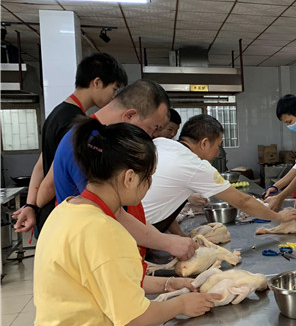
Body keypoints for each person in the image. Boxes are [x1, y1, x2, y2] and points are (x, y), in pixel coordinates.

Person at [22, 120, 219, 326]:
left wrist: (166, 285)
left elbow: (102, 280)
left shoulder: (69, 210)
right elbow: (132, 315)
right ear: (129, 178)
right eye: (148, 178)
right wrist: (181, 304)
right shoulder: (102, 229)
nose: (149, 185)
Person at [38, 79, 196, 261]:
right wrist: (167, 242)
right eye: (153, 129)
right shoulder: (90, 145)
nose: (152, 138)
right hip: (96, 258)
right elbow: (111, 212)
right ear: (129, 116)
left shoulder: (97, 137)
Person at [12, 53, 127, 235]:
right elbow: (50, 180)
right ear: (96, 82)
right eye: (114, 89)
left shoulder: (56, 114)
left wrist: (31, 204)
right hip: (60, 214)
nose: (113, 97)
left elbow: (40, 166)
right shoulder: (76, 124)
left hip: (49, 214)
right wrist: (34, 208)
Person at [142, 114, 296, 235]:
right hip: (140, 232)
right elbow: (242, 201)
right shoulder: (195, 165)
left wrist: (181, 235)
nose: (218, 153)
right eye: (218, 146)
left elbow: (163, 203)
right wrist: (278, 217)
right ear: (204, 143)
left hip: (133, 226)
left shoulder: (161, 144)